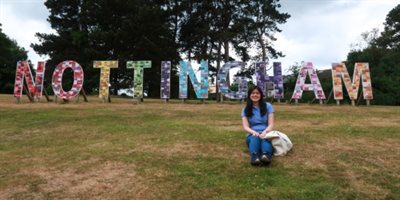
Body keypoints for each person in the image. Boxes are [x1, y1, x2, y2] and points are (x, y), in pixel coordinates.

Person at [242, 86, 275, 165]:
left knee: (265, 139)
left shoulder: (268, 106)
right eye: (253, 93)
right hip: (252, 133)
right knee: (254, 138)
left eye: (257, 93)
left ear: (261, 95)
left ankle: (266, 155)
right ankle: (254, 157)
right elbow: (245, 126)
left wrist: (265, 132)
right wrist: (254, 132)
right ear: (249, 95)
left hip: (266, 131)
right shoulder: (245, 109)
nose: (255, 95)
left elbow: (271, 124)